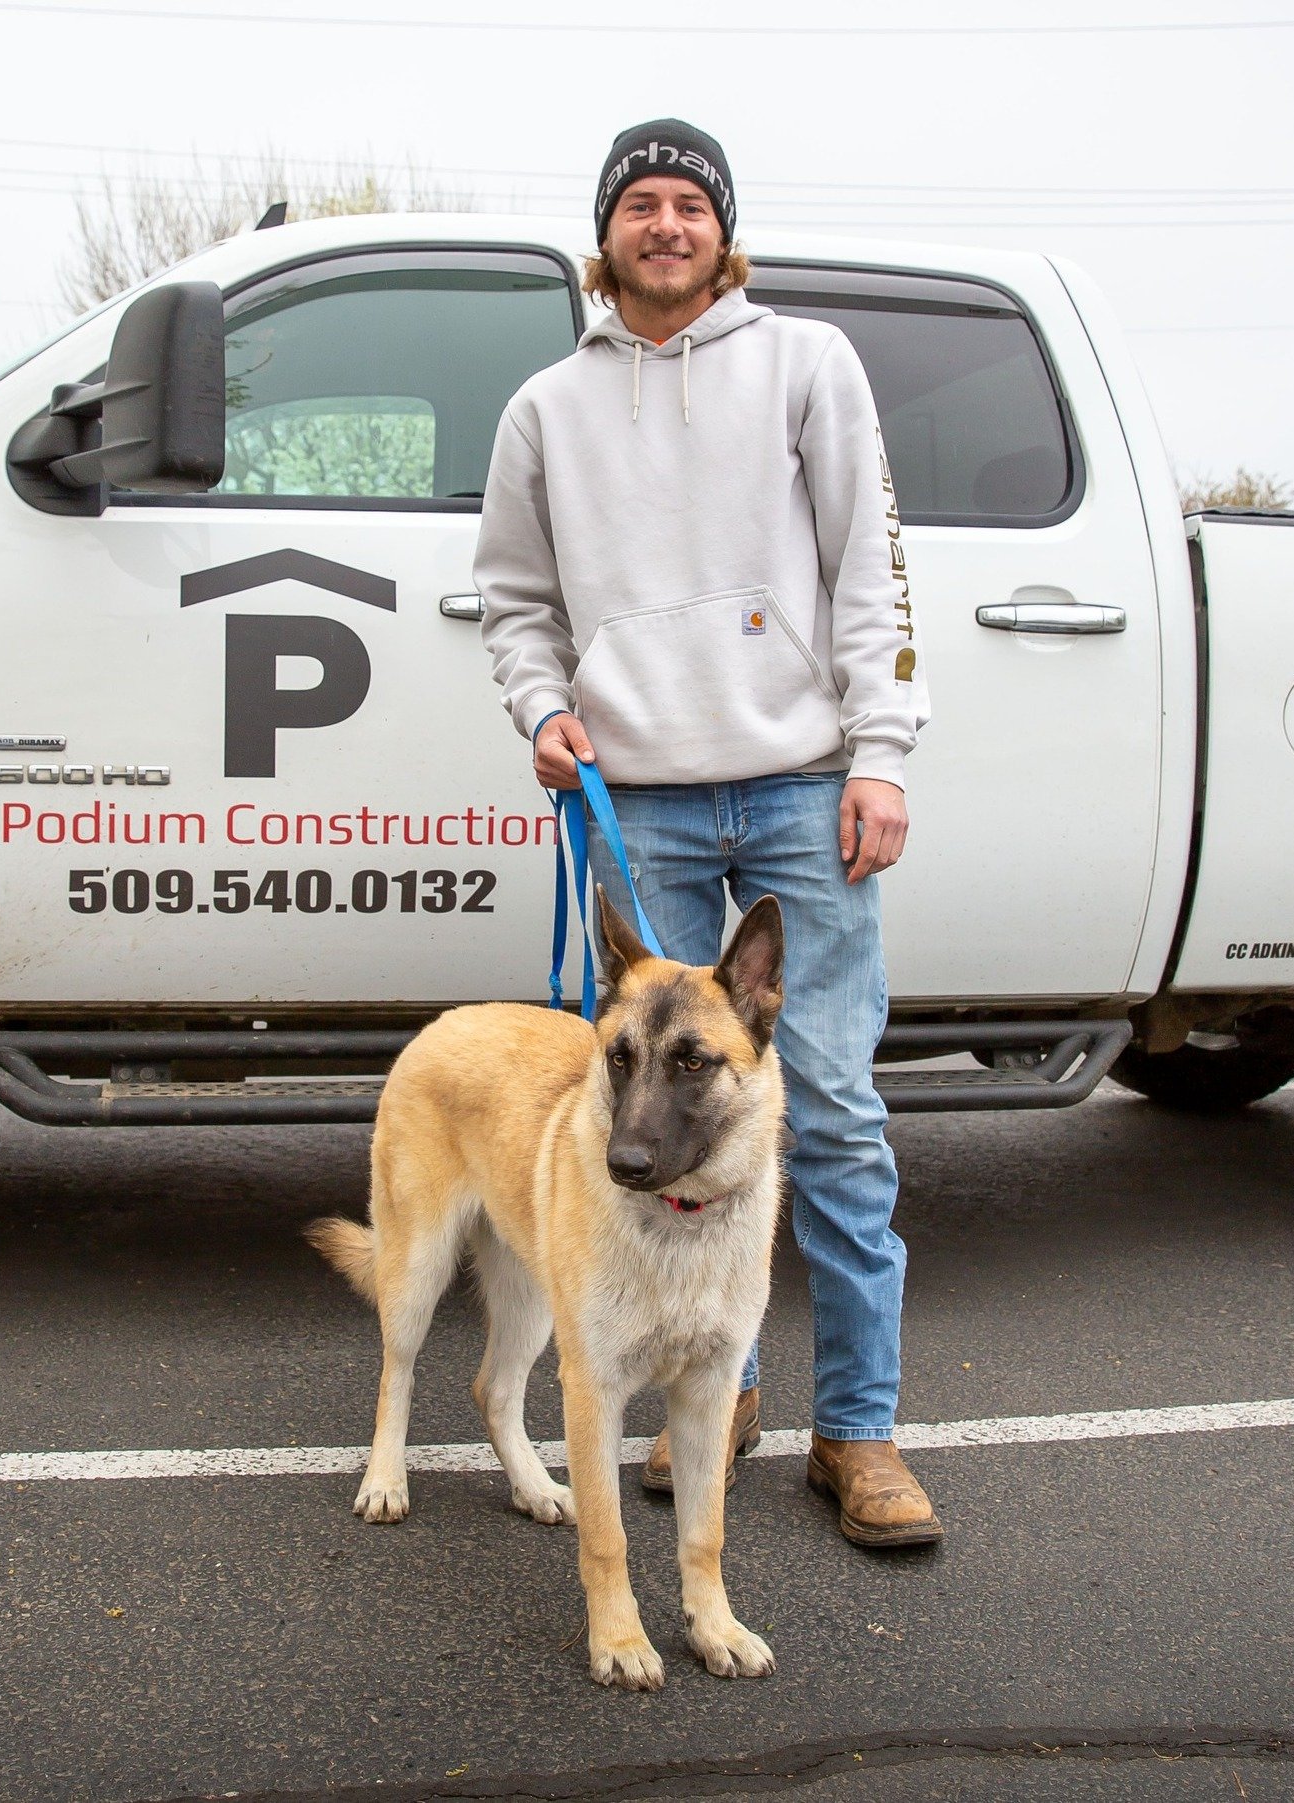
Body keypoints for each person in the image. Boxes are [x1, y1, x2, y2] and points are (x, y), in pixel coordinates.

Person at [473, 119, 940, 1547]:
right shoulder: (547, 406)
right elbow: (511, 598)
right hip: (639, 794)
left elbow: (872, 565)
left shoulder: (807, 365)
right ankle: (713, 1390)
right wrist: (541, 706)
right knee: (637, 1118)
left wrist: (883, 754)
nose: (663, 226)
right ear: (604, 236)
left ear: (721, 234)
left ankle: (858, 1432)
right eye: (638, 206)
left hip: (803, 786)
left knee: (838, 1118)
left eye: (688, 206)